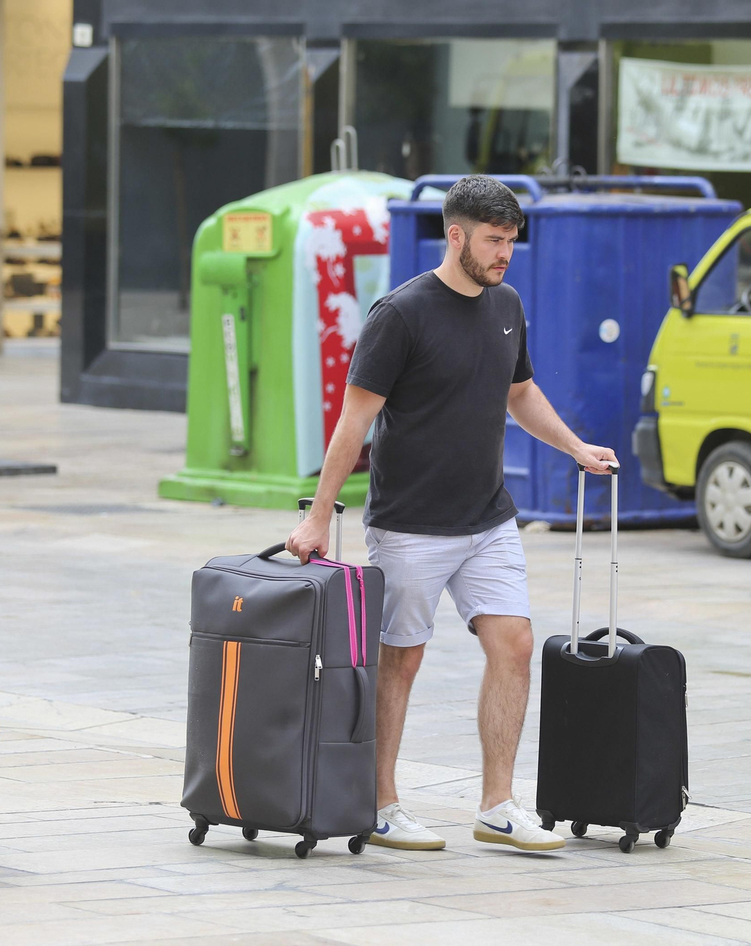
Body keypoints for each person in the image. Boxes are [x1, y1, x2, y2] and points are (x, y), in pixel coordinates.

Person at [287, 176, 617, 853]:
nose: (505, 255)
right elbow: (355, 422)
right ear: (457, 236)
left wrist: (576, 445)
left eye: (512, 242)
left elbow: (519, 393)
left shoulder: (507, 304)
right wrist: (319, 518)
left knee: (516, 645)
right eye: (494, 241)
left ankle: (497, 805)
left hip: (489, 520)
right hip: (410, 525)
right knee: (401, 660)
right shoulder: (400, 314)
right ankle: (380, 804)